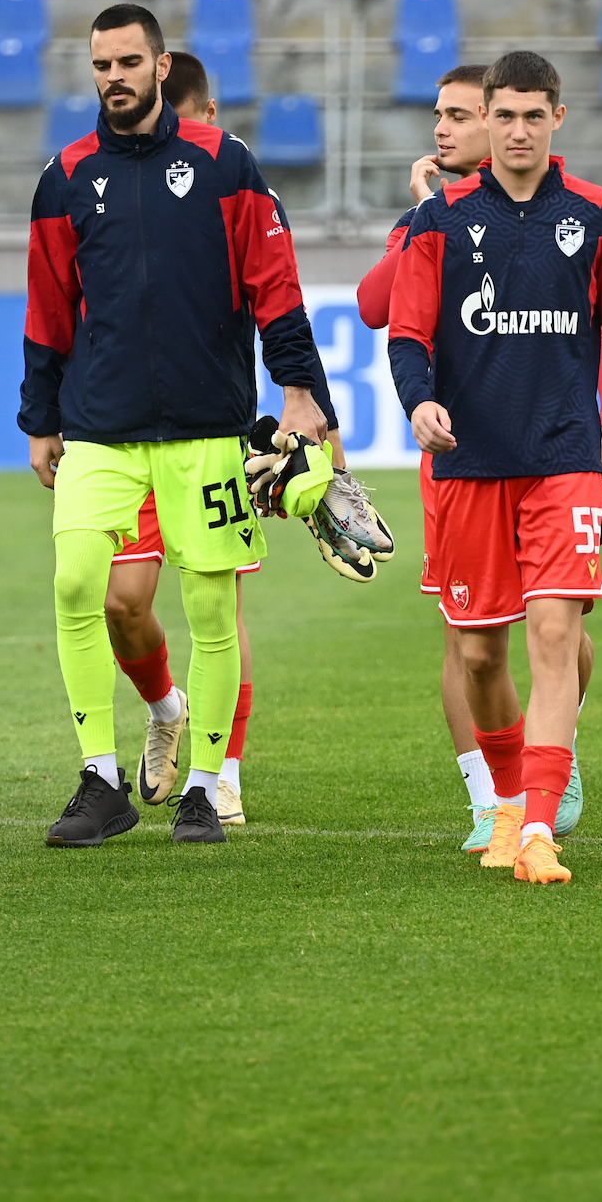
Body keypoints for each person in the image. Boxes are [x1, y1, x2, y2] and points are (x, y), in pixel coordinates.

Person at [22, 5, 334, 848]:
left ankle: (204, 785)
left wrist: (302, 390)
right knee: (77, 585)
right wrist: (39, 417)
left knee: (210, 610)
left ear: (162, 68)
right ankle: (100, 775)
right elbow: (49, 307)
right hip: (98, 429)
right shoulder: (65, 174)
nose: (114, 77)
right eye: (101, 64)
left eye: (130, 61)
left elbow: (277, 285)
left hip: (206, 429)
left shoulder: (226, 164)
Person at [387, 51, 602, 884]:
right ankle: (508, 804)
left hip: (562, 461)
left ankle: (538, 827)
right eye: (502, 116)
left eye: (530, 116)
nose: (515, 131)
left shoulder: (596, 215)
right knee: (478, 656)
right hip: (469, 464)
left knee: (555, 634)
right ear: (489, 120)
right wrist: (419, 401)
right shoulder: (439, 220)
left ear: (557, 119)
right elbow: (406, 332)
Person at [100, 52, 388, 827]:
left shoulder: (238, 187)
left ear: (209, 114)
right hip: (127, 435)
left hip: (211, 435)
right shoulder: (118, 189)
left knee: (217, 607)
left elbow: (282, 306)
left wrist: (322, 430)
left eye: (190, 125)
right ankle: (167, 708)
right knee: (122, 605)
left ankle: (221, 773)